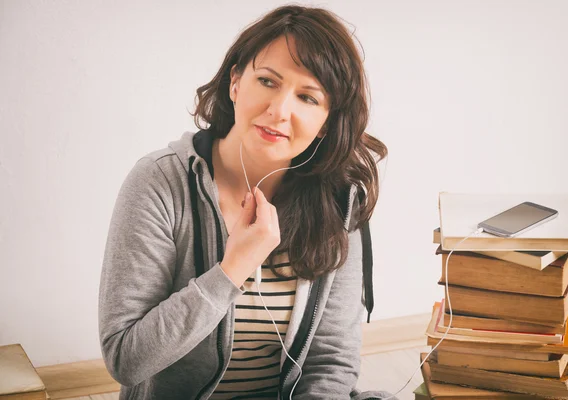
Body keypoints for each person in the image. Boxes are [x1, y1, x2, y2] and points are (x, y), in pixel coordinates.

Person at [99, 5, 394, 399]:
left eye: (308, 97)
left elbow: (331, 360)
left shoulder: (339, 200)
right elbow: (126, 360)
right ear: (235, 82)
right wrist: (231, 270)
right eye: (268, 81)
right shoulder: (159, 183)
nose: (279, 110)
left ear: (327, 121)